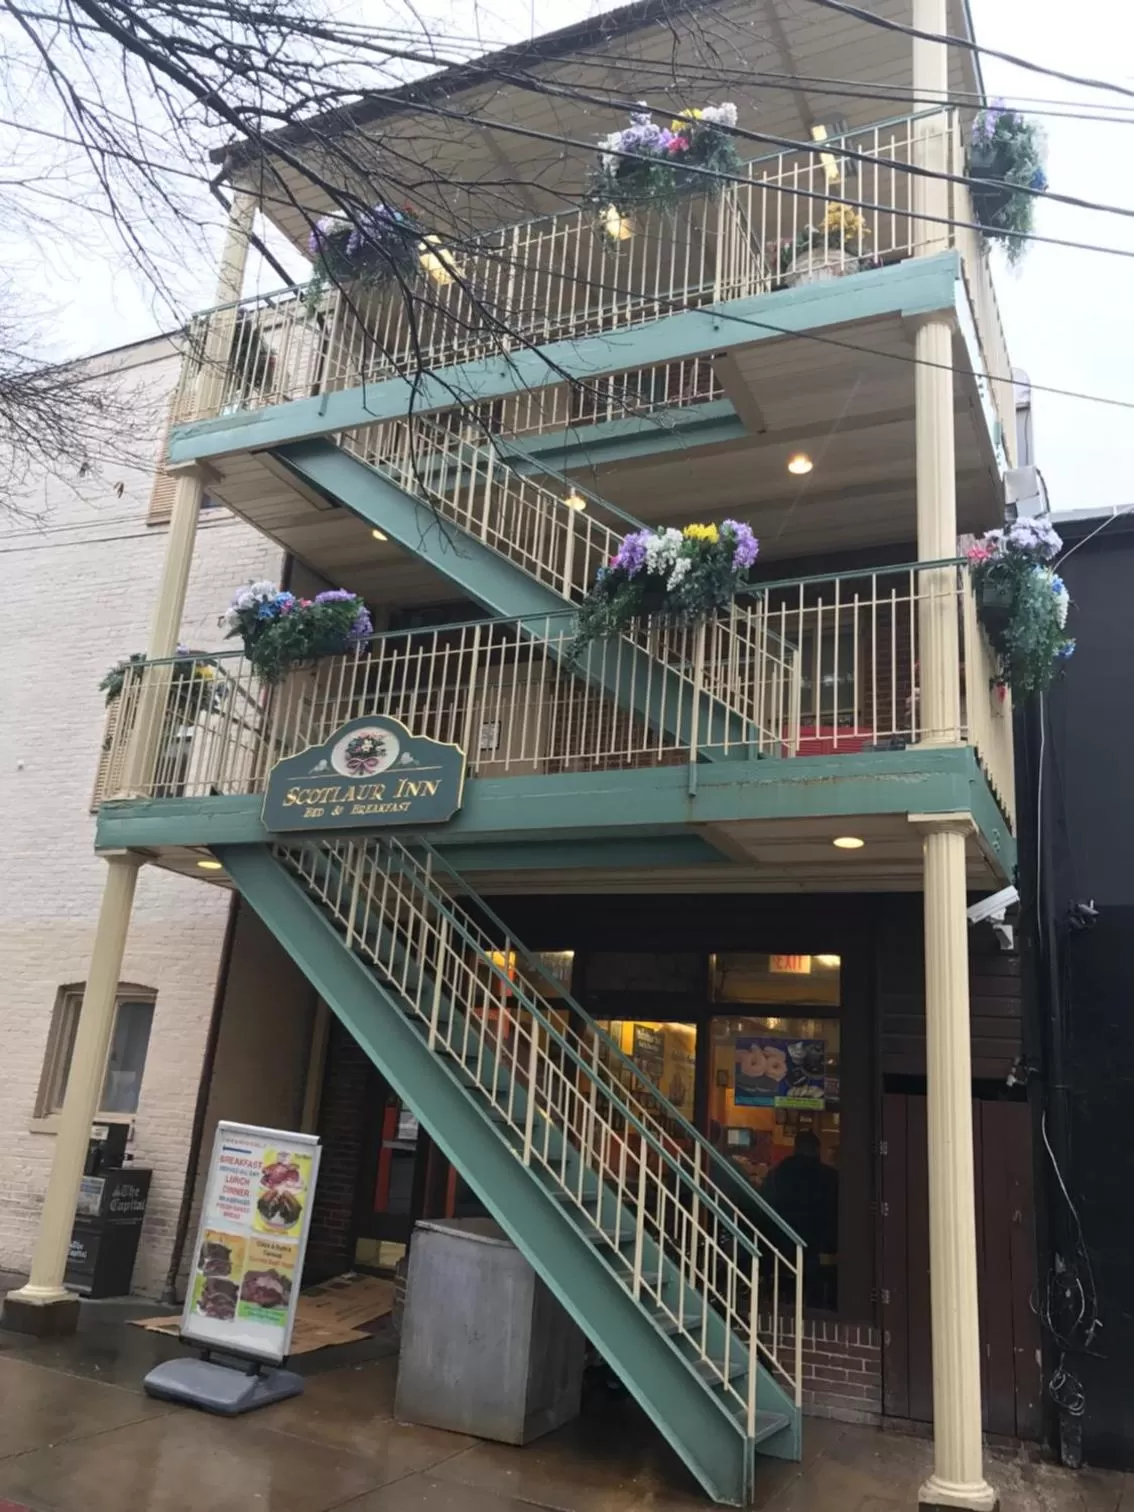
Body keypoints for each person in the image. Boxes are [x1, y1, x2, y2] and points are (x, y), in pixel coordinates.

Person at [761, 1129, 838, 1307]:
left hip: (781, 1246)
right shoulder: (830, 1177)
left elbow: (763, 1206)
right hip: (820, 1251)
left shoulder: (777, 1173)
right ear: (818, 1150)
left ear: (795, 1148)